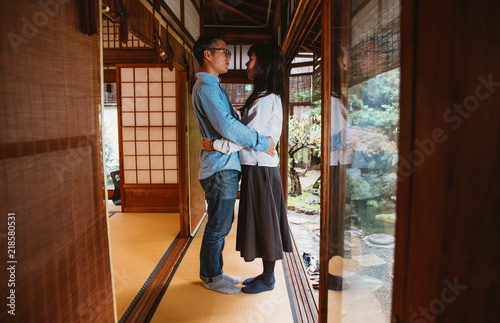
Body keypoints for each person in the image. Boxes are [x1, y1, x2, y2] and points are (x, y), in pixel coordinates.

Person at [201, 41, 293, 294]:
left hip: (261, 169)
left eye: (251, 59)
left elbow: (244, 136)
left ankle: (269, 278)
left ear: (262, 64)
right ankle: (265, 275)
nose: (246, 63)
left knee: (266, 222)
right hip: (257, 169)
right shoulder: (262, 97)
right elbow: (245, 130)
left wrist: (215, 144)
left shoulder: (266, 99)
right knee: (262, 221)